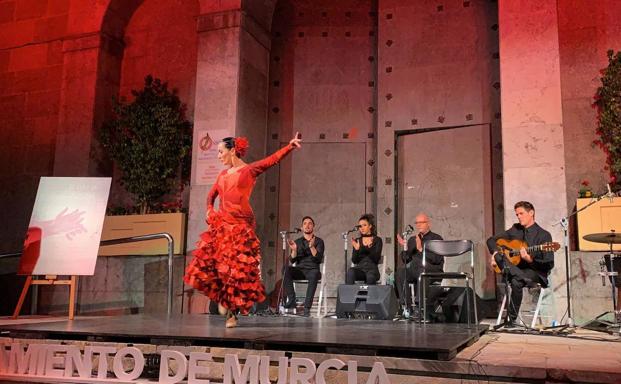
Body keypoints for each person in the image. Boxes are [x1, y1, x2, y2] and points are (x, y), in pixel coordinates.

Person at [184, 133, 302, 328]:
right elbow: (210, 196)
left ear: (232, 151)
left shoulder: (248, 171)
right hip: (223, 225)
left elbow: (271, 161)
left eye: (221, 151)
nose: (219, 156)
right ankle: (225, 303)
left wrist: (289, 146)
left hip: (241, 226)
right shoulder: (222, 175)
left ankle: (232, 314)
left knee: (238, 272)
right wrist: (209, 210)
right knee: (218, 267)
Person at [487, 201, 554, 326]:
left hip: (535, 272)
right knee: (514, 276)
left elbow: (549, 264)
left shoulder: (544, 236)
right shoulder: (515, 229)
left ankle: (511, 320)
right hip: (516, 269)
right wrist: (495, 254)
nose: (518, 217)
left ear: (531, 213)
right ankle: (511, 321)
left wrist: (529, 259)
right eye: (517, 214)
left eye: (521, 213)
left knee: (515, 279)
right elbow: (491, 240)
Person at [394, 213, 443, 312]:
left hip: (433, 270)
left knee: (419, 265)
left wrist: (421, 249)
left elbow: (437, 259)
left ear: (428, 223)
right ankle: (406, 306)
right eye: (417, 223)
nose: (419, 225)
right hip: (416, 270)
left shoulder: (436, 238)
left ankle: (419, 306)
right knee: (400, 272)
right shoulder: (413, 239)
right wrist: (405, 248)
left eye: (422, 222)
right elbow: (405, 259)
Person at [282, 216, 325, 317]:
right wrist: (294, 250)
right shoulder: (297, 242)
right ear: (301, 227)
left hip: (313, 270)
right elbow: (292, 260)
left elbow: (318, 259)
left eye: (310, 223)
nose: (307, 225)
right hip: (300, 271)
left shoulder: (319, 241)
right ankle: (292, 300)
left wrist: (311, 246)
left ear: (313, 226)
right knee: (285, 269)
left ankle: (306, 308)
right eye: (305, 223)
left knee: (314, 274)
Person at [346, 214, 383, 284]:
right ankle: (350, 294)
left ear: (370, 226)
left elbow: (376, 259)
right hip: (360, 270)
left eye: (364, 225)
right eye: (360, 226)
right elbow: (354, 260)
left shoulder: (377, 240)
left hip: (372, 271)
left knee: (370, 277)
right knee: (351, 272)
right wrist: (356, 250)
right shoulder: (357, 241)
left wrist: (369, 248)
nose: (362, 228)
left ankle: (369, 295)